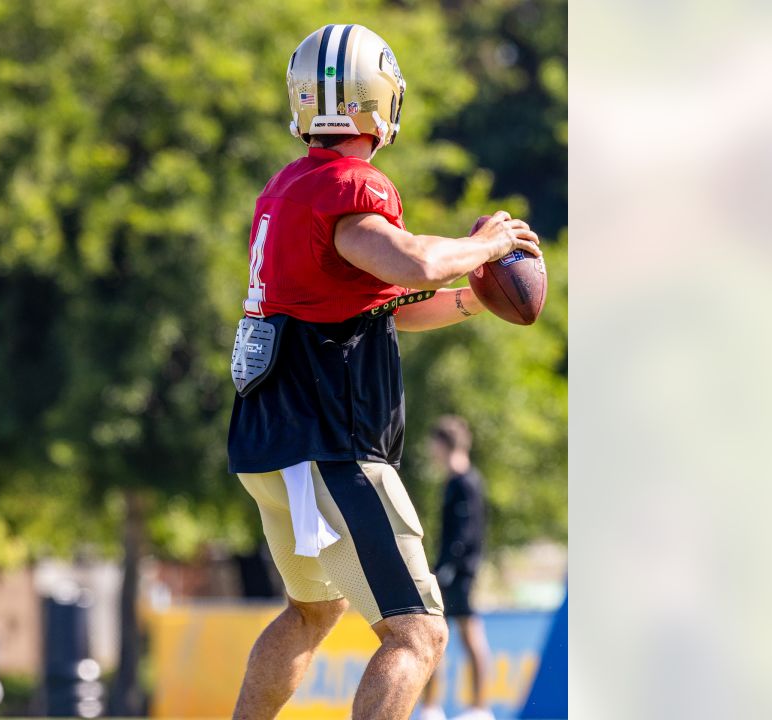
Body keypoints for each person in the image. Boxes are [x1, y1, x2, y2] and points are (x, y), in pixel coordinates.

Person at [225, 24, 540, 720]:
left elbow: (382, 305)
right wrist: (483, 244)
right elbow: (414, 262)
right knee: (419, 634)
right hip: (331, 445)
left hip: (271, 441)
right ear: (378, 100)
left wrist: (467, 300)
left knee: (310, 612)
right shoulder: (350, 185)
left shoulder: (290, 188)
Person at [419, 416, 495, 720]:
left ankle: (479, 708)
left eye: (433, 445)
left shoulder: (466, 482)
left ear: (443, 444)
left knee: (463, 634)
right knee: (437, 635)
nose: (431, 452)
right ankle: (432, 707)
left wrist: (449, 568)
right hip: (451, 570)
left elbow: (467, 533)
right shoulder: (454, 482)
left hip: (459, 572)